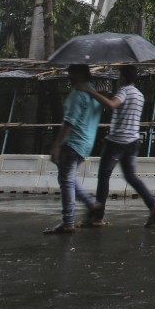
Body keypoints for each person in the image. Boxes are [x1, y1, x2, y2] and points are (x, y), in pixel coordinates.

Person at [78, 65, 155, 228]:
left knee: (104, 177)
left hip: (116, 141)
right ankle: (154, 206)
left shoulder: (123, 91)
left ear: (123, 77)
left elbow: (112, 104)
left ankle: (97, 217)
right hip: (132, 142)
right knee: (131, 177)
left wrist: (91, 92)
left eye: (119, 76)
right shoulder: (139, 95)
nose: (118, 79)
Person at [45, 64, 102, 234]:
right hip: (86, 143)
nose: (68, 76)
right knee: (67, 178)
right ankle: (90, 203)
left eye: (71, 73)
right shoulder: (94, 94)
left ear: (79, 74)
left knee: (66, 181)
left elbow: (69, 122)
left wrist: (56, 145)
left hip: (73, 142)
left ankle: (68, 221)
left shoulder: (79, 94)